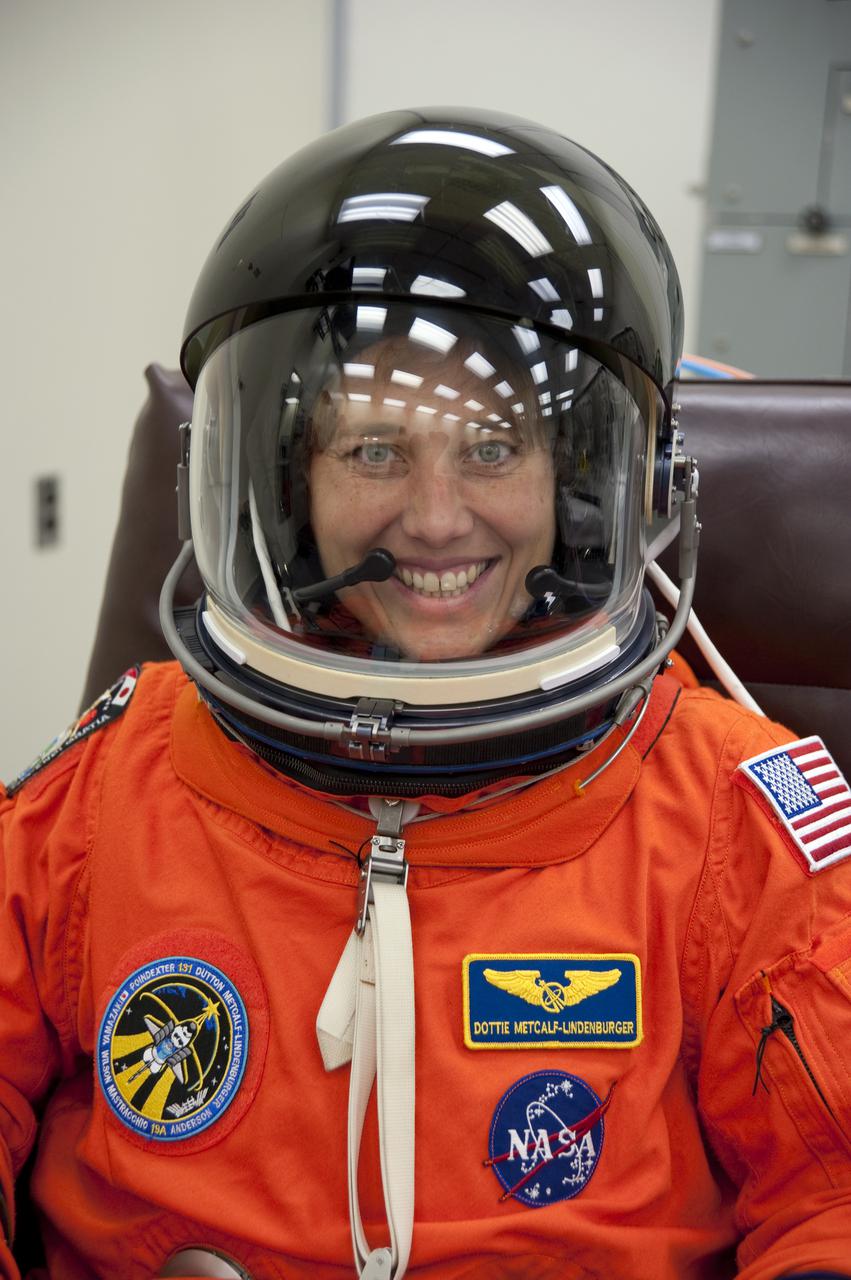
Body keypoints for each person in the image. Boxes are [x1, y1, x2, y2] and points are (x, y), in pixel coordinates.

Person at [2, 107, 850, 1280]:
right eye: (374, 451)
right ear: (289, 485)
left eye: (492, 448)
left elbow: (832, 1192)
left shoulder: (726, 814)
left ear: (591, 488)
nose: (438, 516)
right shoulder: (108, 788)